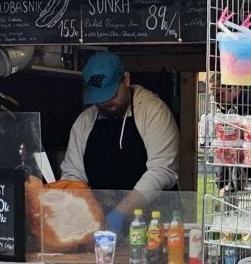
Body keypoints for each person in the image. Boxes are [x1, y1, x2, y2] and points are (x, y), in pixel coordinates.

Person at [60, 52, 180, 230]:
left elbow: (161, 170)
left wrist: (120, 213)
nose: (107, 102)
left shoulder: (153, 111)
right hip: (102, 225)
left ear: (126, 79)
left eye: (112, 94)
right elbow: (73, 176)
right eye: (100, 98)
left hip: (154, 226)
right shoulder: (84, 122)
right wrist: (78, 212)